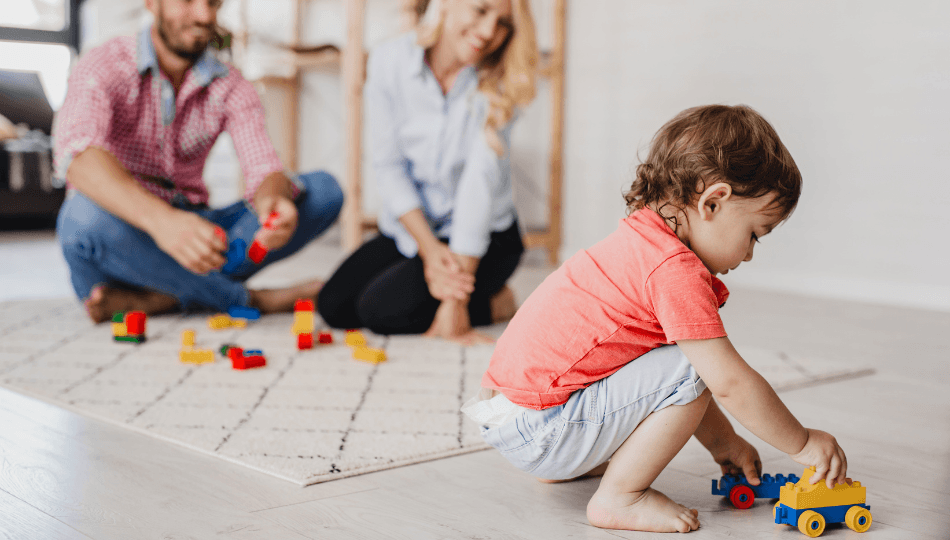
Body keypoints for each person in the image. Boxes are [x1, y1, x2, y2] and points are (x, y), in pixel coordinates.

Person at [463, 105, 850, 533]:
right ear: (713, 202)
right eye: (754, 234)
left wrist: (726, 444)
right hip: (541, 430)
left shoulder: (641, 238)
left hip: (509, 414)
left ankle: (568, 464)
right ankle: (620, 498)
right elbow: (728, 382)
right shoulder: (674, 271)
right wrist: (802, 442)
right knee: (695, 364)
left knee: (679, 360)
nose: (748, 254)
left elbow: (663, 380)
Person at [53, 0, 344, 323]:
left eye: (212, 3)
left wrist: (273, 202)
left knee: (323, 191)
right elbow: (76, 154)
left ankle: (162, 297)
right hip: (123, 239)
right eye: (188, 1)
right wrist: (162, 222)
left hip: (200, 238)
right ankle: (248, 299)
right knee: (81, 218)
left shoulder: (231, 84)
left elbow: (263, 167)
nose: (204, 16)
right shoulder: (103, 64)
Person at [316, 0, 537, 344]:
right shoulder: (390, 61)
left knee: (379, 312)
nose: (489, 32)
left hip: (485, 237)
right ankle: (482, 292)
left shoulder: (501, 80)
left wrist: (456, 301)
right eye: (481, 11)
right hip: (420, 228)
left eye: (504, 23)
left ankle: (496, 303)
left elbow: (476, 186)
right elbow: (389, 166)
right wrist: (430, 250)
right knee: (334, 307)